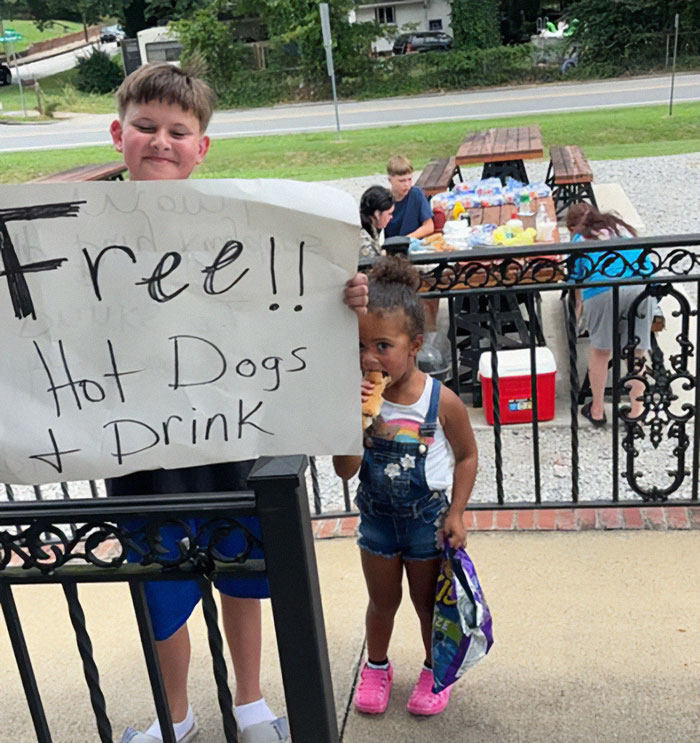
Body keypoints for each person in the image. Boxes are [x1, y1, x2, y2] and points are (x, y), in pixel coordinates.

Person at [106, 62, 368, 743]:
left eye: (177, 130)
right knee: (160, 587)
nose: (160, 140)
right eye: (145, 127)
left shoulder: (242, 223)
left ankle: (249, 704)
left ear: (202, 146)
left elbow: (292, 298)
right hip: (136, 446)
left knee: (244, 572)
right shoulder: (78, 234)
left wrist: (342, 298)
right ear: (118, 133)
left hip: (231, 434)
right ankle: (178, 716)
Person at [333, 256, 478, 718]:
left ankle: (435, 669)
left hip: (425, 524)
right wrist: (353, 421)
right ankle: (376, 666)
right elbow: (344, 470)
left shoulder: (441, 401)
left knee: (424, 603)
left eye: (382, 346)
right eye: (359, 346)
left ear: (414, 345)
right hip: (377, 521)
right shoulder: (351, 398)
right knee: (382, 602)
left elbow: (467, 456)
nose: (368, 359)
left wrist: (456, 513)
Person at [567, 203, 652, 427]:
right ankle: (637, 411)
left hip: (603, 289)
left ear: (573, 227)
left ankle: (597, 410)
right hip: (641, 286)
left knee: (601, 351)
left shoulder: (578, 239)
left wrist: (580, 307)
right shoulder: (622, 228)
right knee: (638, 351)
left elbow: (576, 277)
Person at [384, 155, 434, 240]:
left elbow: (429, 226)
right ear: (390, 180)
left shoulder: (416, 194)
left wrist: (404, 240)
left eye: (409, 179)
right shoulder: (383, 199)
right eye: (402, 181)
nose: (407, 184)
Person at [360, 185, 394, 257]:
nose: (391, 217)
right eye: (389, 214)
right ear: (377, 214)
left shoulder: (370, 227)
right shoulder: (364, 242)